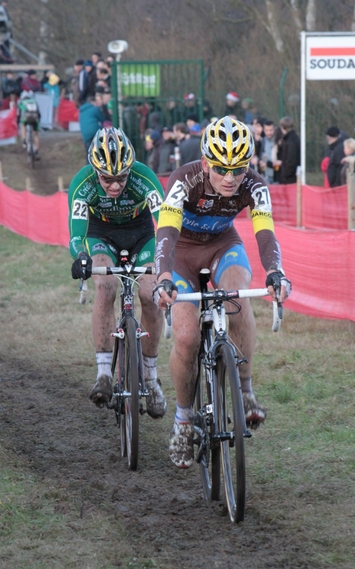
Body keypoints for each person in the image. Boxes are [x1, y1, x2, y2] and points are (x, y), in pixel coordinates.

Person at [153, 116, 291, 468]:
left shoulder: (254, 186)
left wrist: (276, 271)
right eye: (220, 169)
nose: (230, 178)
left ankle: (244, 389)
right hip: (181, 254)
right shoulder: (185, 180)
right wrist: (163, 275)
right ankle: (184, 420)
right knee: (185, 338)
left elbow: (265, 233)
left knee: (237, 297)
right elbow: (166, 231)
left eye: (238, 168)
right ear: (205, 163)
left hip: (222, 246)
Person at [68, 127, 166, 417]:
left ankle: (150, 376)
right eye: (107, 179)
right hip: (102, 233)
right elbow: (76, 236)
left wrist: (167, 260)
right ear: (95, 170)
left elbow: (166, 225)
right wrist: (82, 257)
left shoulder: (144, 177)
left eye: (121, 178)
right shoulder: (82, 183)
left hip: (142, 231)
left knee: (150, 294)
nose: (114, 185)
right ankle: (103, 374)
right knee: (106, 286)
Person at [275, 116, 300, 184]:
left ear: (283, 127)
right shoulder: (293, 138)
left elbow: (291, 161)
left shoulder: (290, 141)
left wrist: (284, 175)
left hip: (289, 179)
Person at [17, 90, 40, 157]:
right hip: (35, 119)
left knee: (23, 125)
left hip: (26, 119)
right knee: (36, 135)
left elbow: (19, 115)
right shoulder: (34, 102)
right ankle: (37, 151)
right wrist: (38, 122)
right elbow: (39, 114)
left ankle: (24, 141)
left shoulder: (21, 102)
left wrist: (18, 122)